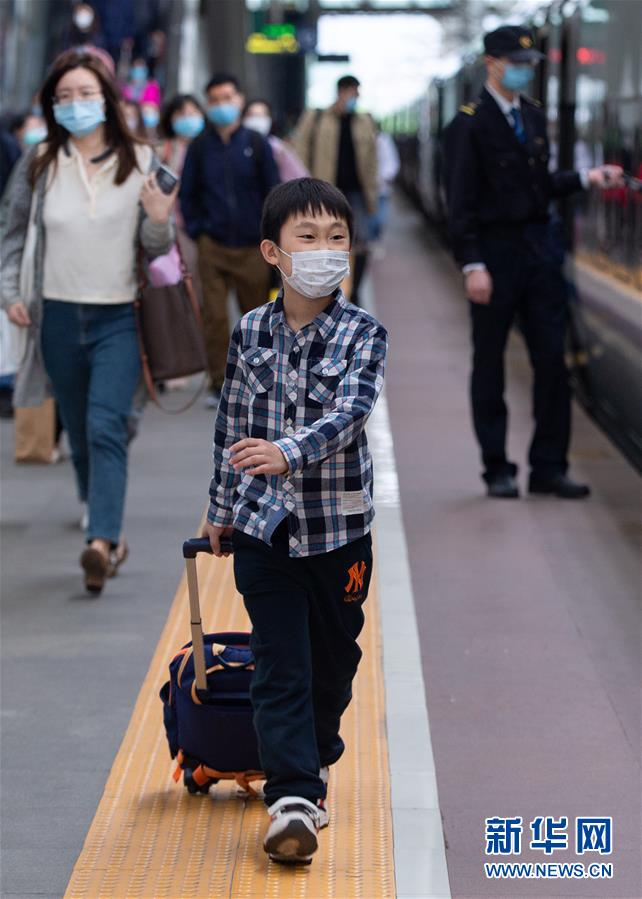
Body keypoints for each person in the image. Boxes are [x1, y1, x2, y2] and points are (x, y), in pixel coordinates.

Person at [202, 177, 387, 865]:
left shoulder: (366, 333)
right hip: (263, 526)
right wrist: (222, 510)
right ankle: (294, 798)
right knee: (280, 661)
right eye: (307, 238)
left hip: (340, 530)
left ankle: (313, 757)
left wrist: (287, 451)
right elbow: (232, 425)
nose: (325, 250)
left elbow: (350, 414)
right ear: (273, 253)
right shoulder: (250, 330)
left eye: (336, 238)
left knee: (333, 664)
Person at [0, 50, 175, 593]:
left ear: (110, 99)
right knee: (77, 430)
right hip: (54, 314)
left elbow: (156, 249)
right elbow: (11, 232)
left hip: (119, 316)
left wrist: (159, 220)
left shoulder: (146, 161)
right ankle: (102, 524)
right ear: (53, 105)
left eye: (87, 93)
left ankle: (101, 539)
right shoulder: (39, 161)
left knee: (106, 425)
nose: (77, 104)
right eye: (65, 96)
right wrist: (9, 292)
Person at [442, 25, 623, 500]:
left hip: (538, 253)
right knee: (490, 364)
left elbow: (539, 185)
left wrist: (587, 177)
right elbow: (458, 205)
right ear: (492, 64)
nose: (524, 71)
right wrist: (471, 265)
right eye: (516, 63)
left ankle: (548, 467)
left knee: (552, 363)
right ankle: (497, 468)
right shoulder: (468, 124)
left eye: (529, 65)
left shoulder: (535, 118)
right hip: (494, 255)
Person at [179, 73, 280, 408]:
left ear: (240, 99)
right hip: (213, 245)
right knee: (215, 317)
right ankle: (219, 383)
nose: (222, 105)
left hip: (253, 246)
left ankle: (256, 382)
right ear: (208, 105)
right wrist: (198, 229)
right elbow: (188, 193)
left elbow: (273, 190)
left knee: (256, 316)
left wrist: (270, 234)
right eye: (215, 99)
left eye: (228, 97)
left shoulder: (256, 142)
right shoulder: (199, 147)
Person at [292, 75, 378, 305]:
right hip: (326, 193)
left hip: (357, 194)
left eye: (357, 93)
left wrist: (373, 194)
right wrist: (306, 189)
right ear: (341, 91)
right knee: (324, 243)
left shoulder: (364, 121)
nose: (355, 97)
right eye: (352, 92)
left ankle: (355, 292)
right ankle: (325, 292)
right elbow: (299, 152)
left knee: (359, 245)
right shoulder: (318, 117)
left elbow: (372, 160)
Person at [243, 99, 308, 182]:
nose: (257, 119)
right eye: (252, 115)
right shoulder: (237, 145)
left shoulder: (278, 147)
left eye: (261, 115)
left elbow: (299, 177)